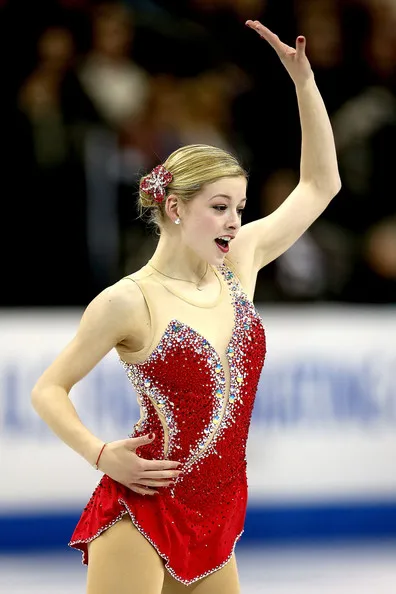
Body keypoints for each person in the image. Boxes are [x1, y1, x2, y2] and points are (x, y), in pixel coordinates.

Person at [31, 19, 341, 594]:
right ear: (174, 208)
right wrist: (101, 454)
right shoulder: (130, 299)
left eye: (240, 208)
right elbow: (47, 388)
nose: (235, 222)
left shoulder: (240, 262)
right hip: (142, 510)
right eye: (220, 207)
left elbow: (320, 185)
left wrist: (304, 84)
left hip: (216, 516)